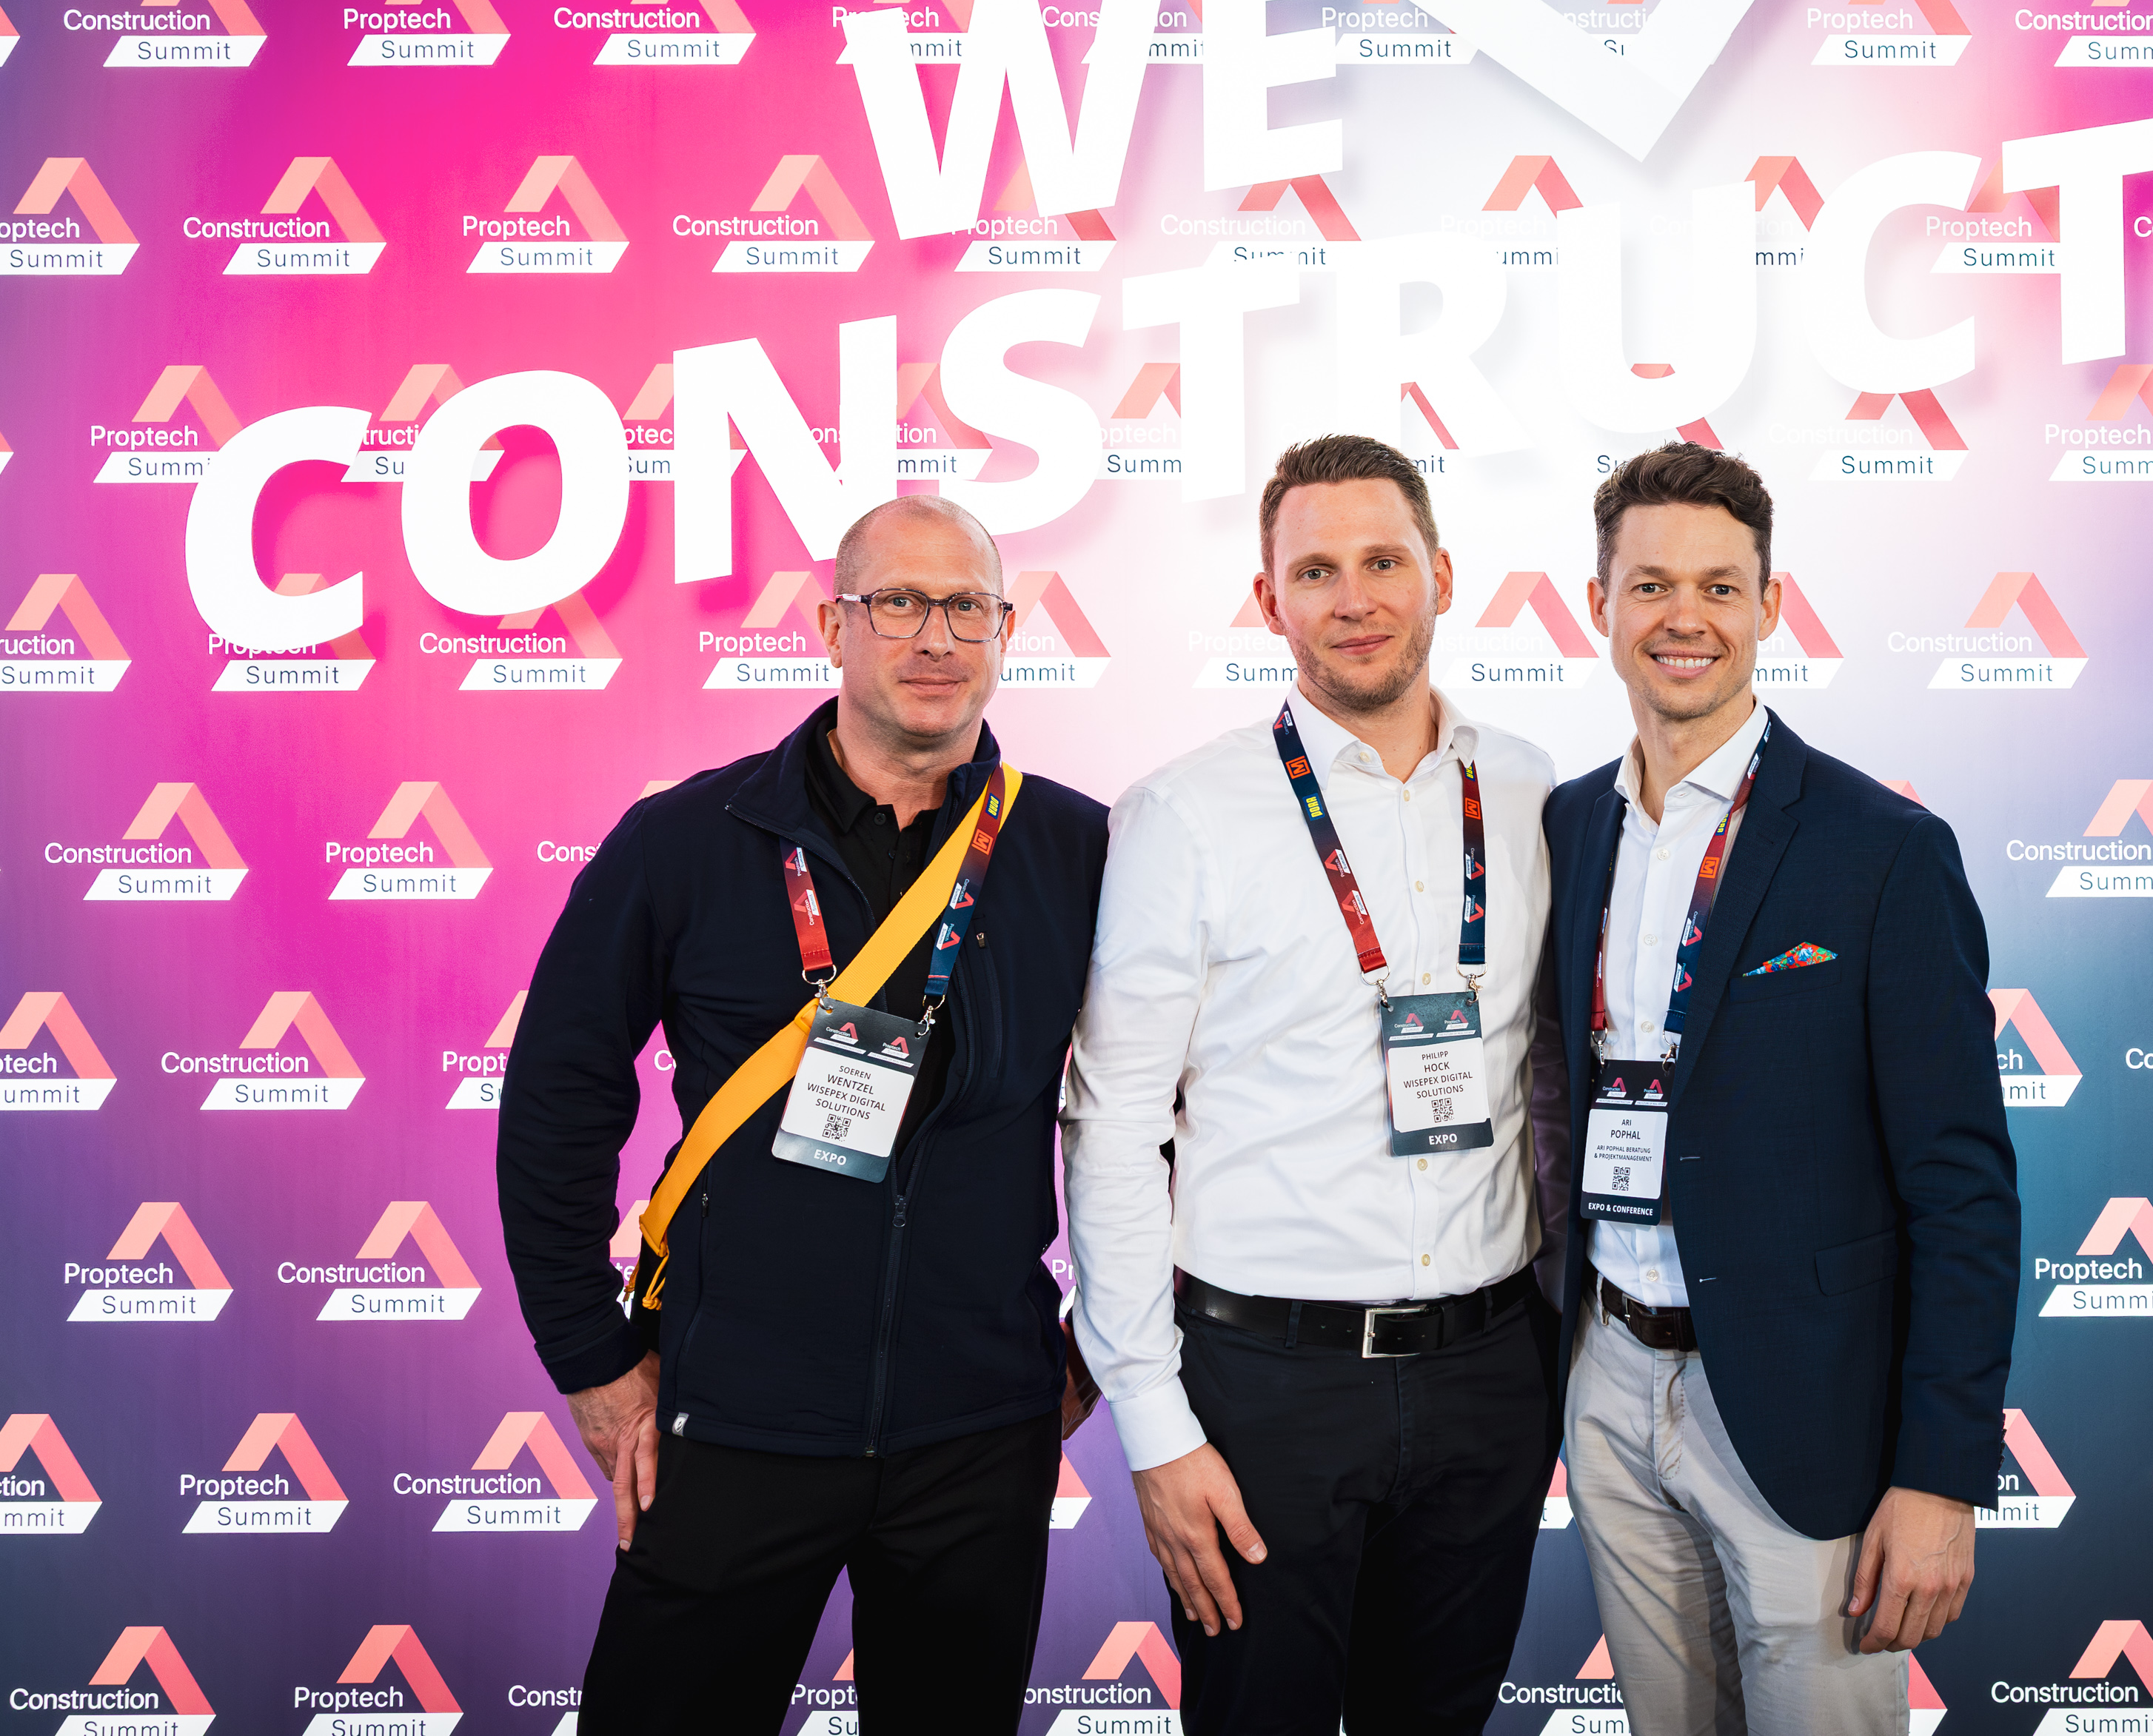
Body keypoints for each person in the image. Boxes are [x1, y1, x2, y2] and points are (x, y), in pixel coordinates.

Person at [495, 495, 1109, 1735]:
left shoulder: (1080, 851)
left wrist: (1100, 1349)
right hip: (732, 1419)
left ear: (1004, 632)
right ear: (833, 627)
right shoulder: (684, 841)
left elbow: (1164, 1120)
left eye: (967, 607)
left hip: (979, 1436)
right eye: (899, 602)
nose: (935, 637)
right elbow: (557, 1102)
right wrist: (592, 1362)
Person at [1062, 435, 1564, 1736]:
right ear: (1267, 598)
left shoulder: (1530, 793)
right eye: (1316, 571)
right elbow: (1113, 1130)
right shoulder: (1184, 814)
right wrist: (1155, 1425)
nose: (1355, 600)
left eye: (1384, 562)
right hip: (1265, 1389)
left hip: (1490, 1376)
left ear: (1442, 575)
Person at [1544, 443, 2020, 1736]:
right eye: (1650, 586)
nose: (1683, 618)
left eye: (1719, 587)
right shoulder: (1569, 826)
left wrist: (1940, 1474)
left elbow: (1962, 1189)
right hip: (1608, 1381)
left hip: (1809, 1411)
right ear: (1599, 607)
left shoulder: (1883, 850)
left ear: (1768, 604)